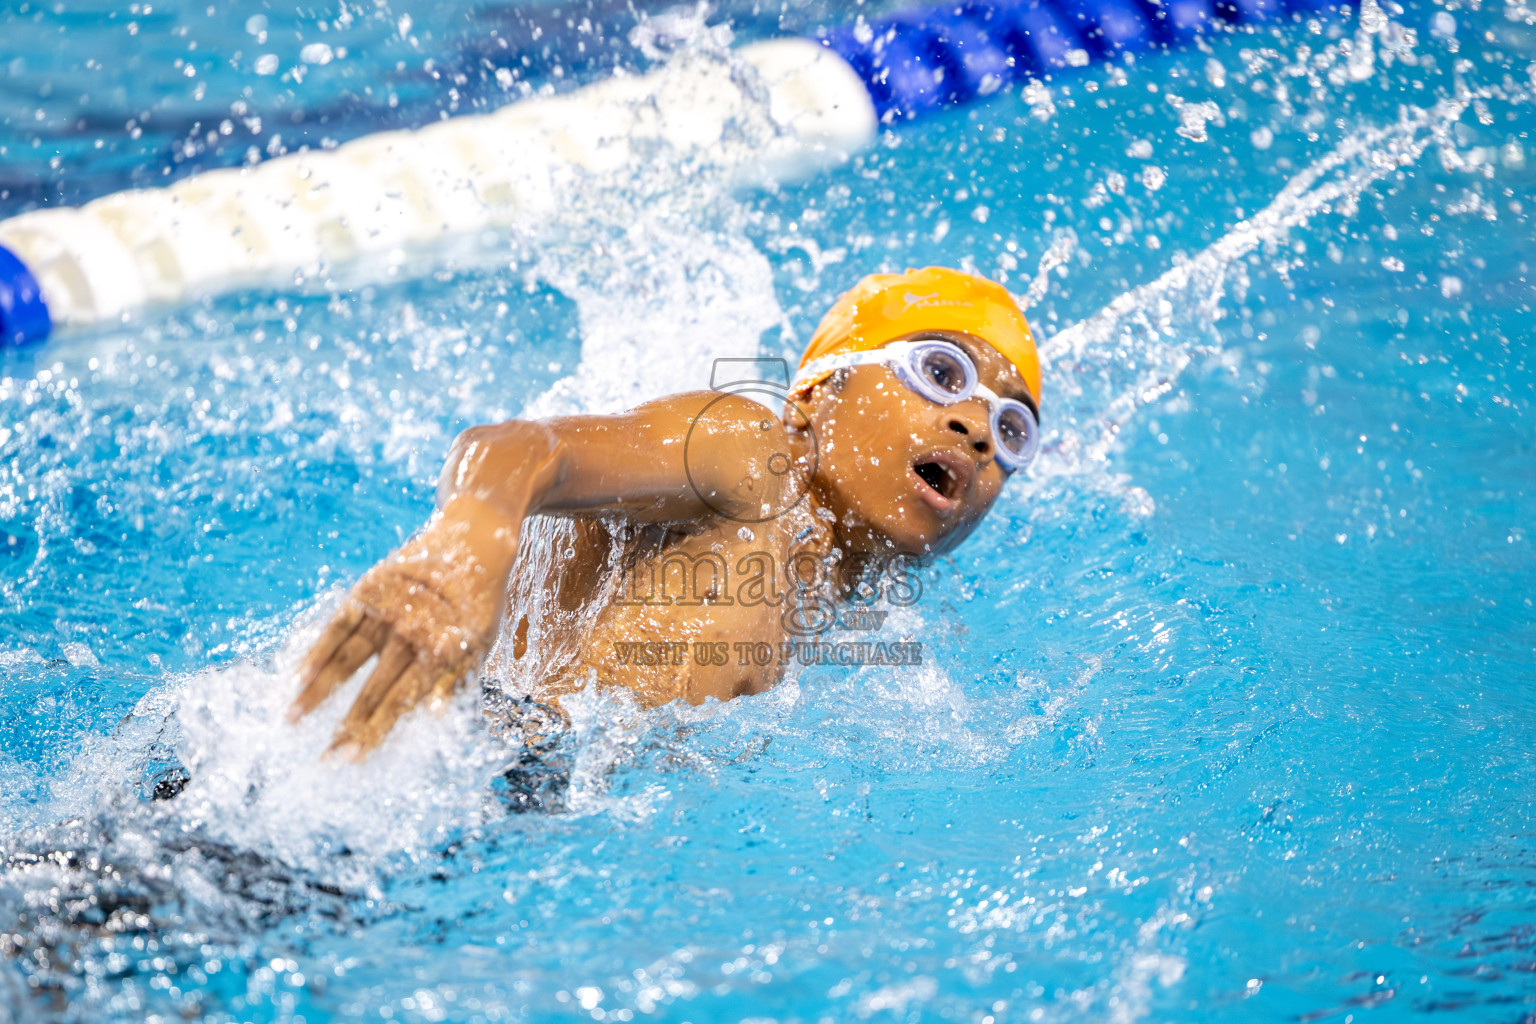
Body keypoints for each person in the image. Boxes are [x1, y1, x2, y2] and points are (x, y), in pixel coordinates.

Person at [288, 266, 1044, 758]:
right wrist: (462, 553)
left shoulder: (852, 608)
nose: (977, 429)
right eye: (941, 373)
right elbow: (521, 449)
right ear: (818, 391)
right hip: (404, 748)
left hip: (495, 801)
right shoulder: (753, 457)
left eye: (1012, 429)